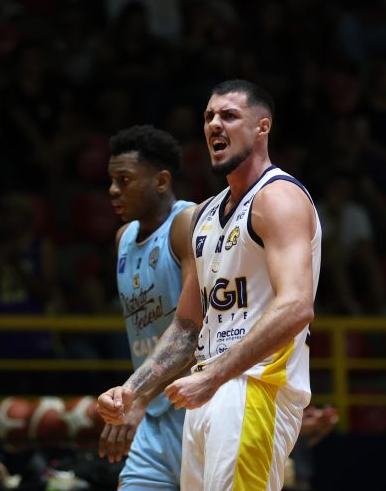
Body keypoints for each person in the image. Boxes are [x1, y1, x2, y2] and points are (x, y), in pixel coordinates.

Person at [99, 79, 322, 490]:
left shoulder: (278, 197)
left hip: (255, 387)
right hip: (206, 392)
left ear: (262, 127)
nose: (215, 124)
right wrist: (132, 390)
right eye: (209, 117)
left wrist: (214, 374)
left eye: (229, 115)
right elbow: (187, 327)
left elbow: (296, 306)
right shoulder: (204, 215)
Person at [99, 124, 195, 488]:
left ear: (161, 181)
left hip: (199, 407)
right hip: (152, 414)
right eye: (111, 180)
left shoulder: (187, 224)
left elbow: (197, 331)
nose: (113, 190)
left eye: (124, 180)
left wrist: (136, 395)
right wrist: (137, 397)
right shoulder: (123, 238)